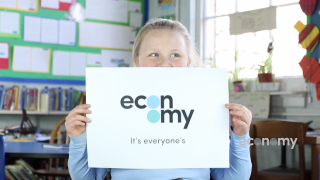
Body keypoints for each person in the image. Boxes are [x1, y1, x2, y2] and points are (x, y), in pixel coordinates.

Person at [66, 18, 252, 180]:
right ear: (137, 60)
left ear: (188, 62)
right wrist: (78, 140)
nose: (164, 64)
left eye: (175, 55)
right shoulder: (114, 106)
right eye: (154, 55)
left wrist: (241, 137)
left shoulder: (205, 107)